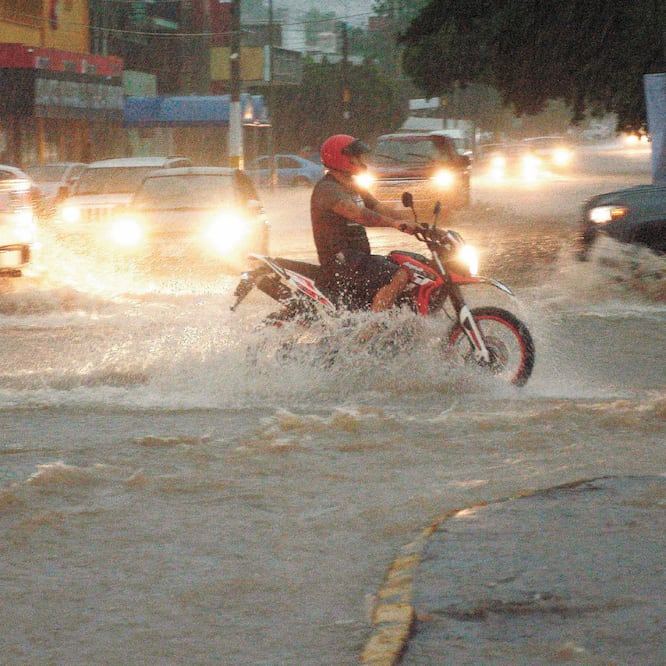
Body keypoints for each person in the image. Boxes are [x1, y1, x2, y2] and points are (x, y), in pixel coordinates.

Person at [311, 134, 420, 314]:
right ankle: (373, 329)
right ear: (343, 158)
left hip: (357, 257)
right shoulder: (328, 189)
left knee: (410, 266)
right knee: (399, 275)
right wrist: (395, 224)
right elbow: (360, 215)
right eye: (357, 156)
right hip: (340, 260)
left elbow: (379, 207)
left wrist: (417, 224)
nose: (362, 160)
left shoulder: (353, 185)